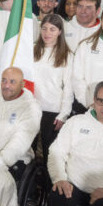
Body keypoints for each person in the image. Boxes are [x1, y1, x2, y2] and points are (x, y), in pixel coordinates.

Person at [33, 14, 74, 160]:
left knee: (49, 153)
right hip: (31, 108)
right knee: (27, 152)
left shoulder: (67, 55)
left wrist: (64, 114)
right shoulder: (31, 50)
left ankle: (48, 183)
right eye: (44, 28)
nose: (47, 33)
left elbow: (69, 88)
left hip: (52, 110)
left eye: (52, 29)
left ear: (60, 31)